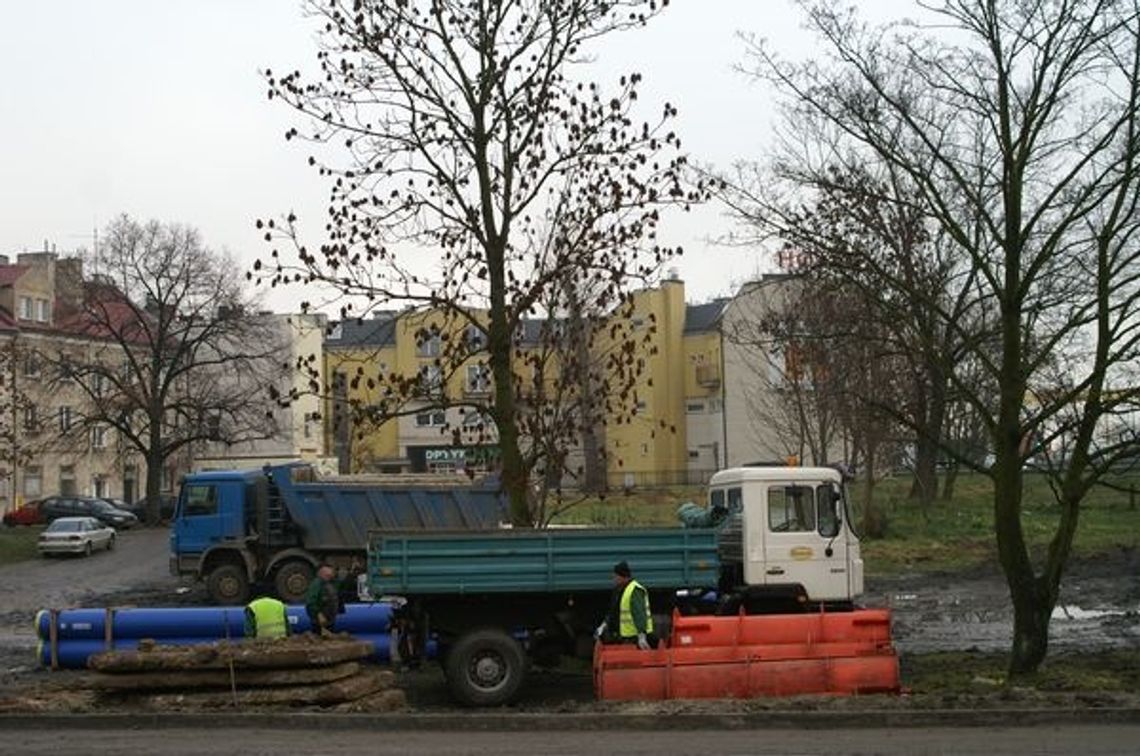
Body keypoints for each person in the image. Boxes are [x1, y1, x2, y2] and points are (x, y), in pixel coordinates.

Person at [594, 560, 657, 650]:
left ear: (623, 576)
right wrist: (603, 626)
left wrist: (641, 636)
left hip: (634, 636)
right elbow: (613, 611)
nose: (614, 578)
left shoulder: (634, 590)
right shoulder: (618, 590)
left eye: (616, 576)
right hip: (625, 635)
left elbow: (639, 613)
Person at [305, 563, 341, 636]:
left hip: (330, 619)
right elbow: (310, 602)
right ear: (321, 573)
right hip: (320, 621)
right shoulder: (316, 584)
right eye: (327, 574)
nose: (330, 575)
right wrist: (318, 614)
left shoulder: (331, 583)